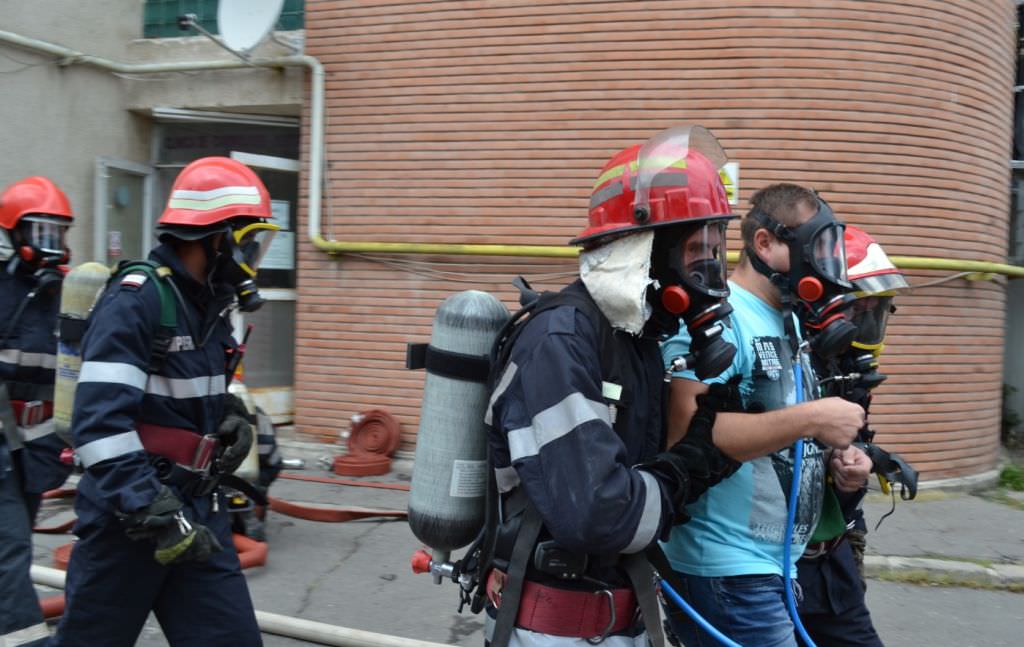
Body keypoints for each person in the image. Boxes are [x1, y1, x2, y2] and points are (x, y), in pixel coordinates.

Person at [484, 126, 742, 647]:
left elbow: (635, 471)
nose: (711, 270)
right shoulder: (561, 342)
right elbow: (600, 514)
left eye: (716, 246)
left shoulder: (634, 340)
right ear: (646, 251)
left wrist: (703, 450)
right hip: (555, 628)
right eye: (697, 251)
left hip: (620, 619)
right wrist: (687, 467)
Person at [51, 157, 280, 646]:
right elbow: (99, 426)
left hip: (198, 511)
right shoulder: (137, 299)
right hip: (129, 525)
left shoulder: (210, 304)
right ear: (215, 238)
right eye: (248, 240)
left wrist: (230, 417)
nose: (253, 255)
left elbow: (184, 397)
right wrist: (152, 510)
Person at [660, 183, 871, 647]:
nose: (823, 264)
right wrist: (811, 419)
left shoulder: (791, 322)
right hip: (724, 566)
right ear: (764, 243)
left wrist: (838, 461)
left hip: (777, 564)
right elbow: (682, 436)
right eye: (814, 249)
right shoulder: (717, 319)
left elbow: (779, 427)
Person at [796, 225, 913, 647]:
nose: (871, 325)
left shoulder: (851, 379)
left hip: (833, 565)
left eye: (879, 312)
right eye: (861, 313)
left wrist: (858, 462)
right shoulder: (783, 368)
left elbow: (840, 471)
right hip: (771, 572)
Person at [0, 176, 74, 646]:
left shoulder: (70, 296)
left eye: (60, 234)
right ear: (16, 236)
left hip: (34, 451)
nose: (55, 247)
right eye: (43, 234)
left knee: (16, 542)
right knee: (10, 549)